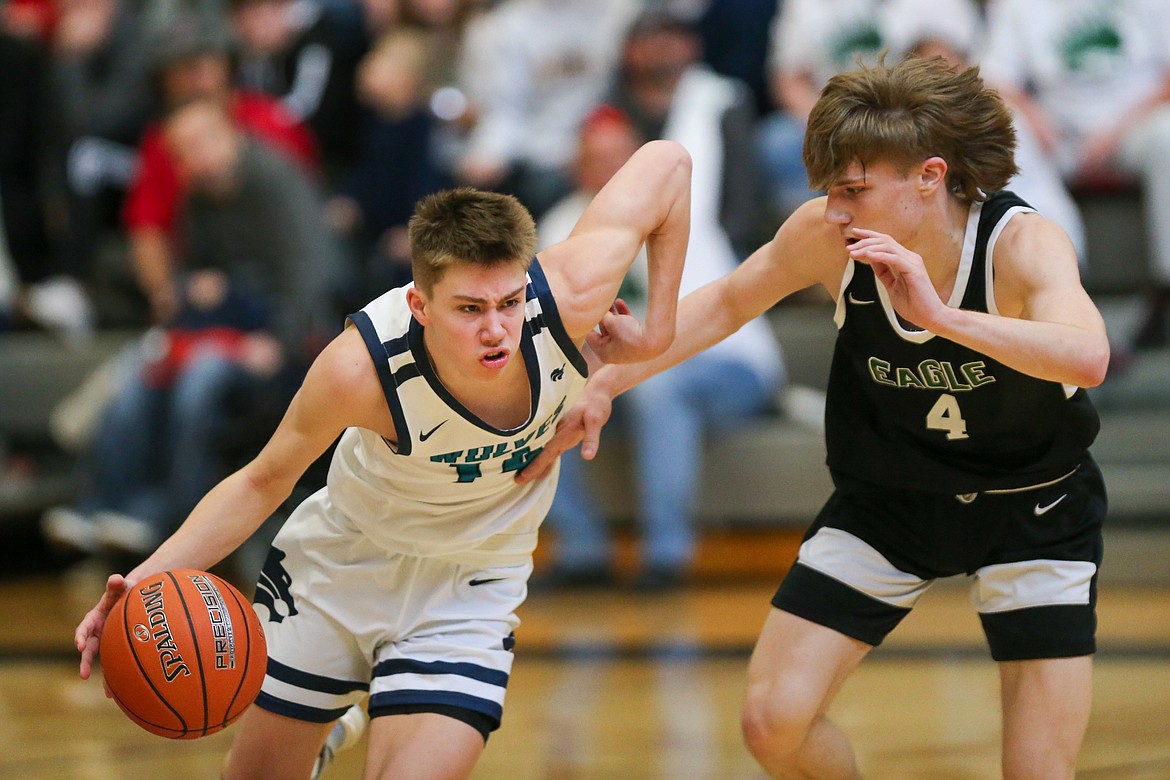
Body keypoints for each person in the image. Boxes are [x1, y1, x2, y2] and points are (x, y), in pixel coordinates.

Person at [519, 56, 1109, 778]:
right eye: (830, 190)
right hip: (891, 500)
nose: (835, 209)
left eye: (853, 190)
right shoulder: (829, 237)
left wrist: (942, 318)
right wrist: (608, 380)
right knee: (772, 723)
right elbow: (730, 301)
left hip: (1034, 502)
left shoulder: (1021, 244)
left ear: (929, 176)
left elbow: (1086, 358)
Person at [73, 138, 692, 779]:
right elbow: (261, 483)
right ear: (419, 305)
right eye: (469, 309)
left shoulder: (569, 295)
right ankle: (331, 721)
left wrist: (659, 327)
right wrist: (141, 578)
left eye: (509, 304)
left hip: (466, 584)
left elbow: (670, 163)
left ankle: (355, 710)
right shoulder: (360, 369)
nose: (496, 330)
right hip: (343, 567)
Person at [42, 98, 342, 558]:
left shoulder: (276, 178)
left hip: (284, 344)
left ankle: (176, 522)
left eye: (202, 141)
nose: (193, 157)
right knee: (140, 372)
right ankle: (105, 507)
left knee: (199, 380)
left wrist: (278, 343)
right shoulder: (196, 197)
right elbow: (196, 278)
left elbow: (314, 273)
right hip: (219, 332)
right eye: (181, 150)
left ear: (231, 134)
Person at [536, 35, 784, 590]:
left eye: (616, 158)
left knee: (658, 388)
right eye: (593, 158)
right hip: (619, 375)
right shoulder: (557, 228)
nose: (605, 169)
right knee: (538, 399)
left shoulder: (678, 216)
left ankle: (666, 557)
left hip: (727, 366)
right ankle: (583, 552)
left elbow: (686, 329)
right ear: (577, 167)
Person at [978, 0, 1170, 357]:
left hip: (1136, 125)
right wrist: (1036, 119)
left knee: (1169, 136)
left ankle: (1165, 293)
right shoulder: (1018, 6)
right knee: (1009, 136)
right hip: (1057, 130)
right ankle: (1059, 294)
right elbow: (995, 78)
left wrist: (1115, 131)